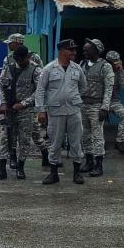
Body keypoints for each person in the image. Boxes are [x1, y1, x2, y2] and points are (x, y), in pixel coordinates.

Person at [36, 39, 88, 185]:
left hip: (73, 110)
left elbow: (83, 87)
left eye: (74, 50)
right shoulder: (49, 69)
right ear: (61, 51)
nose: (74, 52)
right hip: (55, 110)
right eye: (70, 50)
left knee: (76, 142)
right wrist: (41, 110)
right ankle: (53, 174)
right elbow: (40, 90)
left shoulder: (77, 68)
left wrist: (74, 96)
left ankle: (77, 173)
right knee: (55, 142)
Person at [0, 45, 41, 181]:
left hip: (26, 110)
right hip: (9, 109)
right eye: (17, 60)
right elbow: (0, 85)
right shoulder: (9, 68)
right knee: (5, 139)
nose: (20, 62)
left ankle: (20, 167)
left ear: (27, 57)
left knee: (24, 140)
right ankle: (1, 169)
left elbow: (39, 91)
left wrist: (24, 103)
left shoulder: (35, 70)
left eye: (22, 60)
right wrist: (2, 102)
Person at [1, 33, 48, 166]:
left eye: (10, 42)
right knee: (11, 133)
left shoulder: (34, 58)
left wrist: (34, 104)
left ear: (17, 43)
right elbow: (4, 80)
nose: (9, 45)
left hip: (29, 103)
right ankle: (13, 157)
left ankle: (45, 154)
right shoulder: (8, 59)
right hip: (13, 101)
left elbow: (40, 80)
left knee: (32, 131)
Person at [79, 38, 114, 178]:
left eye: (87, 49)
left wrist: (105, 107)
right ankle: (88, 161)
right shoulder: (82, 64)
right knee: (84, 134)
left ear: (96, 50)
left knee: (97, 135)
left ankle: (98, 164)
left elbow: (108, 88)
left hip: (96, 106)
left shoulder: (105, 66)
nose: (84, 51)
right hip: (82, 105)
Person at [105, 51, 124, 154]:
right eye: (113, 62)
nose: (115, 64)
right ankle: (99, 141)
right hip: (101, 101)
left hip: (114, 101)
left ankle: (120, 141)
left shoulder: (119, 71)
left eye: (117, 61)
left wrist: (121, 70)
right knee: (96, 118)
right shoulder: (102, 70)